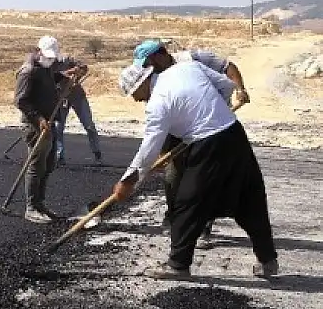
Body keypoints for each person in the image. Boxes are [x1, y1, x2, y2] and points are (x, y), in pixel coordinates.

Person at [112, 61, 278, 280]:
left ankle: (178, 265)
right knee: (249, 199)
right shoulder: (187, 68)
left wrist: (128, 182)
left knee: (187, 203)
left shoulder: (158, 103)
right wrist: (211, 112)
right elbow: (227, 86)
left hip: (208, 146)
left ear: (142, 83)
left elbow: (149, 148)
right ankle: (268, 261)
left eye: (134, 93)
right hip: (234, 134)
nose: (135, 98)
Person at [133, 39, 250, 239]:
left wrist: (240, 89)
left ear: (159, 56)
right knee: (173, 173)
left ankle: (203, 226)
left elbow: (228, 68)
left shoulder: (193, 59)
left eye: (147, 63)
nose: (145, 69)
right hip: (177, 125)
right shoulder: (153, 77)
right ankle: (173, 217)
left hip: (209, 126)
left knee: (206, 176)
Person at [14, 39, 69, 223]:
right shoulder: (27, 71)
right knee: (37, 166)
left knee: (49, 163)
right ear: (38, 51)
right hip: (35, 125)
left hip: (49, 122)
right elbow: (21, 101)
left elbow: (48, 81)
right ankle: (31, 207)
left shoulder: (44, 67)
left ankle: (40, 203)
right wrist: (39, 119)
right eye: (47, 57)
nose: (50, 60)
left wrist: (65, 75)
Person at [38, 36, 103, 166]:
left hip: (77, 96)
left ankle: (97, 153)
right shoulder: (46, 65)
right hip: (61, 99)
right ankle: (59, 156)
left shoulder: (66, 59)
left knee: (89, 125)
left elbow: (84, 68)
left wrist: (78, 72)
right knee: (58, 128)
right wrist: (67, 72)